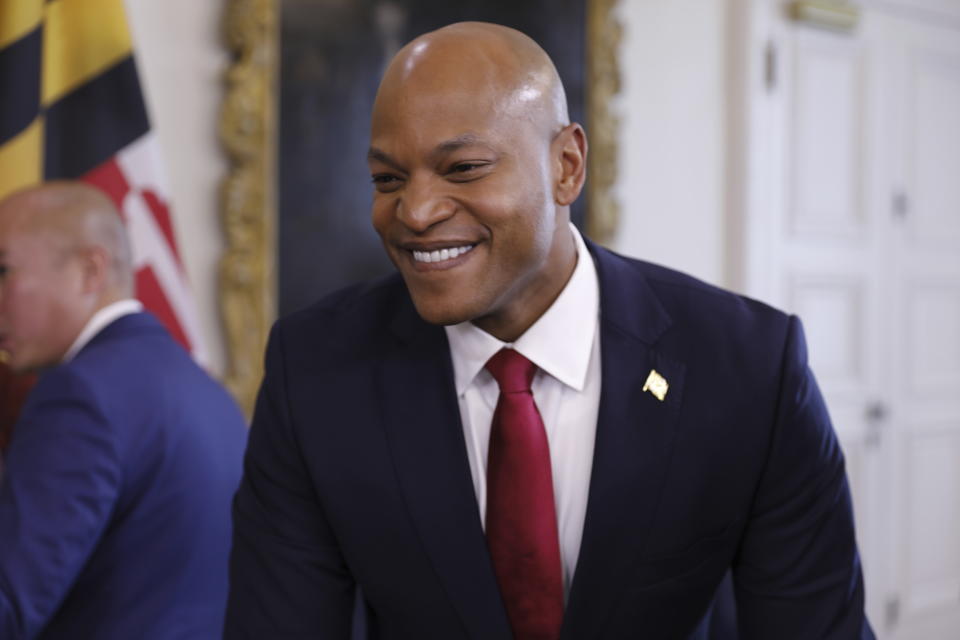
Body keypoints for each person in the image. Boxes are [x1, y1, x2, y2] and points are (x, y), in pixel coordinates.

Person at [225, 22, 873, 639]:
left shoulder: (748, 369)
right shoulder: (314, 374)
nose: (415, 212)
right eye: (387, 179)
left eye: (464, 168)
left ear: (566, 165)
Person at [0, 181, 247, 639]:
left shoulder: (80, 395)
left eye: (2, 272)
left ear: (89, 270)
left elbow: (9, 604)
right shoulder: (204, 389)